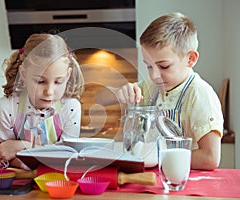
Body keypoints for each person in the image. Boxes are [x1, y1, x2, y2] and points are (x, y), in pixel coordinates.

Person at [95, 13, 223, 170]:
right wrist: (119, 91)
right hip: (156, 179)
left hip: (184, 185)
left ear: (190, 59)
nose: (154, 75)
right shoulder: (152, 88)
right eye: (149, 66)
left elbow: (210, 158)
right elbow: (99, 97)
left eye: (164, 66)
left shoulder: (199, 94)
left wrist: (157, 155)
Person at [0, 33, 84, 169]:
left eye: (58, 82)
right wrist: (48, 155)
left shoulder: (70, 107)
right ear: (23, 74)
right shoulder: (6, 107)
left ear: (68, 75)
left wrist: (24, 146)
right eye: (40, 81)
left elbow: (68, 156)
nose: (49, 91)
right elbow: (4, 155)